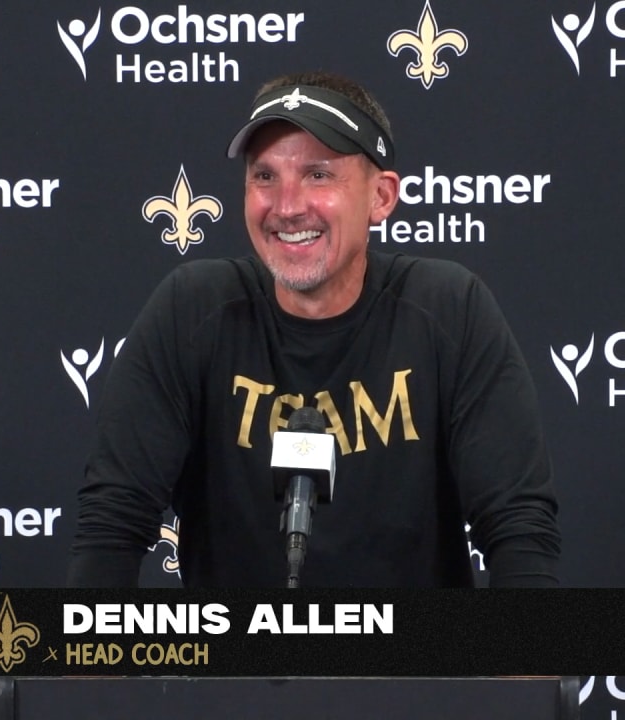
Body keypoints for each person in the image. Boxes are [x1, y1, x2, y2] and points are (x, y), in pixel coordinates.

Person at [68, 71, 559, 588]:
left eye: (318, 175)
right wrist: (87, 659)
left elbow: (519, 527)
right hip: (231, 660)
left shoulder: (449, 308)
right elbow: (113, 522)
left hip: (417, 663)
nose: (286, 206)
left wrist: (524, 659)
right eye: (264, 177)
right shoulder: (193, 310)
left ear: (382, 197)